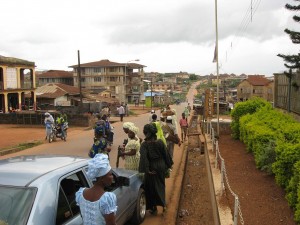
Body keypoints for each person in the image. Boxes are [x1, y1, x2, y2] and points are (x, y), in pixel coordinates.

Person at [139, 124, 173, 215]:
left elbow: (144, 159)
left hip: (151, 167)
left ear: (146, 133)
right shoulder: (160, 142)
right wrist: (169, 165)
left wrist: (147, 170)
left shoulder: (144, 145)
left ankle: (153, 208)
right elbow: (166, 154)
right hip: (161, 165)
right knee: (161, 185)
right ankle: (163, 206)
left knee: (150, 188)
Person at [75, 154, 117, 225]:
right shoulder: (107, 198)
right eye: (110, 174)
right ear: (102, 178)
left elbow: (84, 217)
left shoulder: (81, 193)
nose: (112, 177)